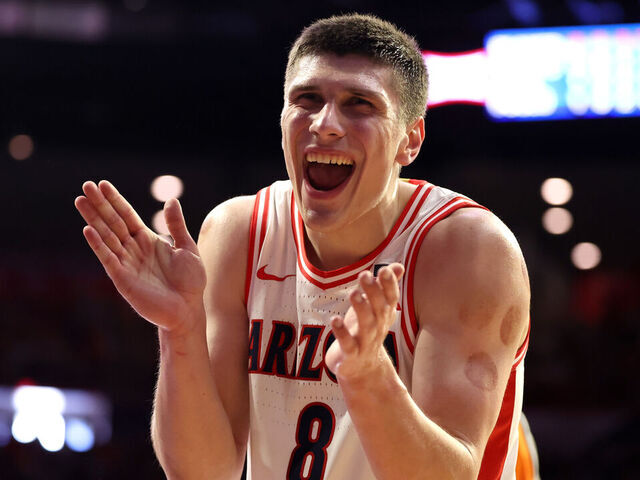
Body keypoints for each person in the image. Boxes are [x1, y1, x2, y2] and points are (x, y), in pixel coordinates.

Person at [75, 13, 533, 480]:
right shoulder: (239, 233)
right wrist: (179, 331)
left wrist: (368, 378)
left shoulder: (467, 250)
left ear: (410, 140)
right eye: (307, 99)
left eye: (360, 104)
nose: (326, 123)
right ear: (281, 119)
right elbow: (205, 472)